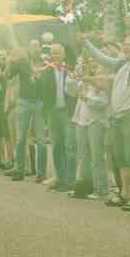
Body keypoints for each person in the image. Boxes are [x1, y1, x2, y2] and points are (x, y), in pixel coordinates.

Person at [82, 14, 130, 212]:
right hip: (117, 118)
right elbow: (100, 57)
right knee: (121, 158)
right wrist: (87, 42)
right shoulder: (121, 63)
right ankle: (125, 194)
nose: (128, 47)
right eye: (125, 45)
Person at [4, 41, 53, 182]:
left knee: (42, 141)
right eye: (31, 46)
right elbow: (7, 76)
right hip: (23, 101)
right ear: (28, 48)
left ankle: (41, 173)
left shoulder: (46, 62)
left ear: (39, 48)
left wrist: (40, 74)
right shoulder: (22, 62)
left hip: (39, 103)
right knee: (20, 139)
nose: (33, 49)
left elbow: (50, 82)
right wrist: (10, 60)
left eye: (36, 46)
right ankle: (20, 170)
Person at [70, 61, 111, 201]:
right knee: (83, 156)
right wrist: (76, 76)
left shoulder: (101, 80)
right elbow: (70, 90)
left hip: (96, 121)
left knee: (97, 157)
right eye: (89, 65)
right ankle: (85, 186)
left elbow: (103, 102)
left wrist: (87, 98)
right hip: (80, 120)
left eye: (95, 65)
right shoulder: (84, 80)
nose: (92, 68)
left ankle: (101, 189)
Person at [43, 44, 77, 192]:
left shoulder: (70, 70)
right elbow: (42, 90)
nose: (55, 56)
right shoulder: (47, 70)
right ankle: (60, 178)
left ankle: (70, 181)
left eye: (57, 53)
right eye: (53, 53)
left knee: (70, 147)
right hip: (52, 112)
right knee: (56, 147)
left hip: (67, 113)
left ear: (63, 55)